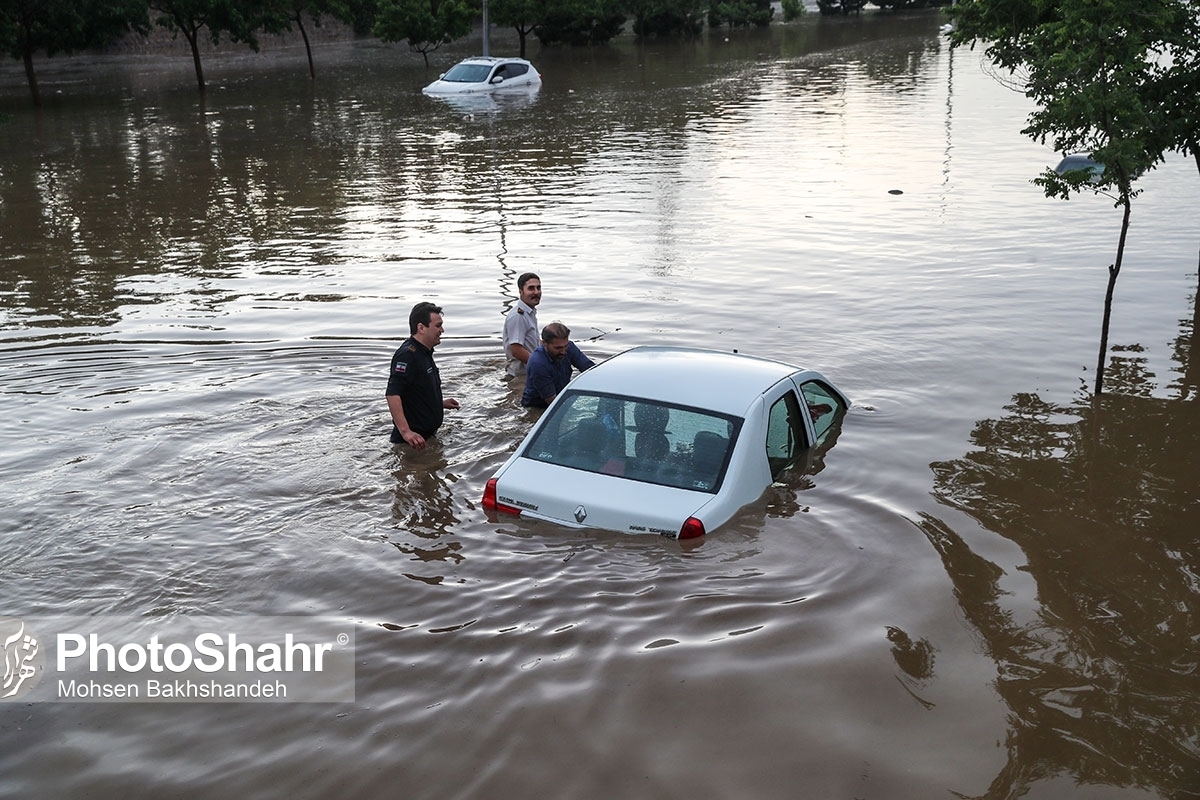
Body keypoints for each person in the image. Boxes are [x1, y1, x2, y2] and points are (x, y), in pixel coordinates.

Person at [386, 302, 460, 449]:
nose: (442, 330)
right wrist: (407, 432)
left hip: (426, 438)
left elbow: (416, 389)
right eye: (438, 326)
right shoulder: (407, 355)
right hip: (412, 443)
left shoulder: (424, 352)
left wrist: (439, 403)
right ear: (421, 328)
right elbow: (393, 394)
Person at [521, 322, 595, 408]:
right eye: (558, 348)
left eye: (565, 346)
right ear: (544, 343)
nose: (563, 351)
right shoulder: (538, 364)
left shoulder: (569, 347)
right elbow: (551, 400)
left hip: (559, 393)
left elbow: (590, 369)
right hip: (537, 406)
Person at [502, 272, 542, 377]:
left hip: (529, 372)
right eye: (531, 288)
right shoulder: (518, 316)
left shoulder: (529, 313)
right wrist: (540, 366)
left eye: (538, 288)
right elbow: (516, 350)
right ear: (521, 292)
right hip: (521, 375)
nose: (536, 292)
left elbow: (531, 343)